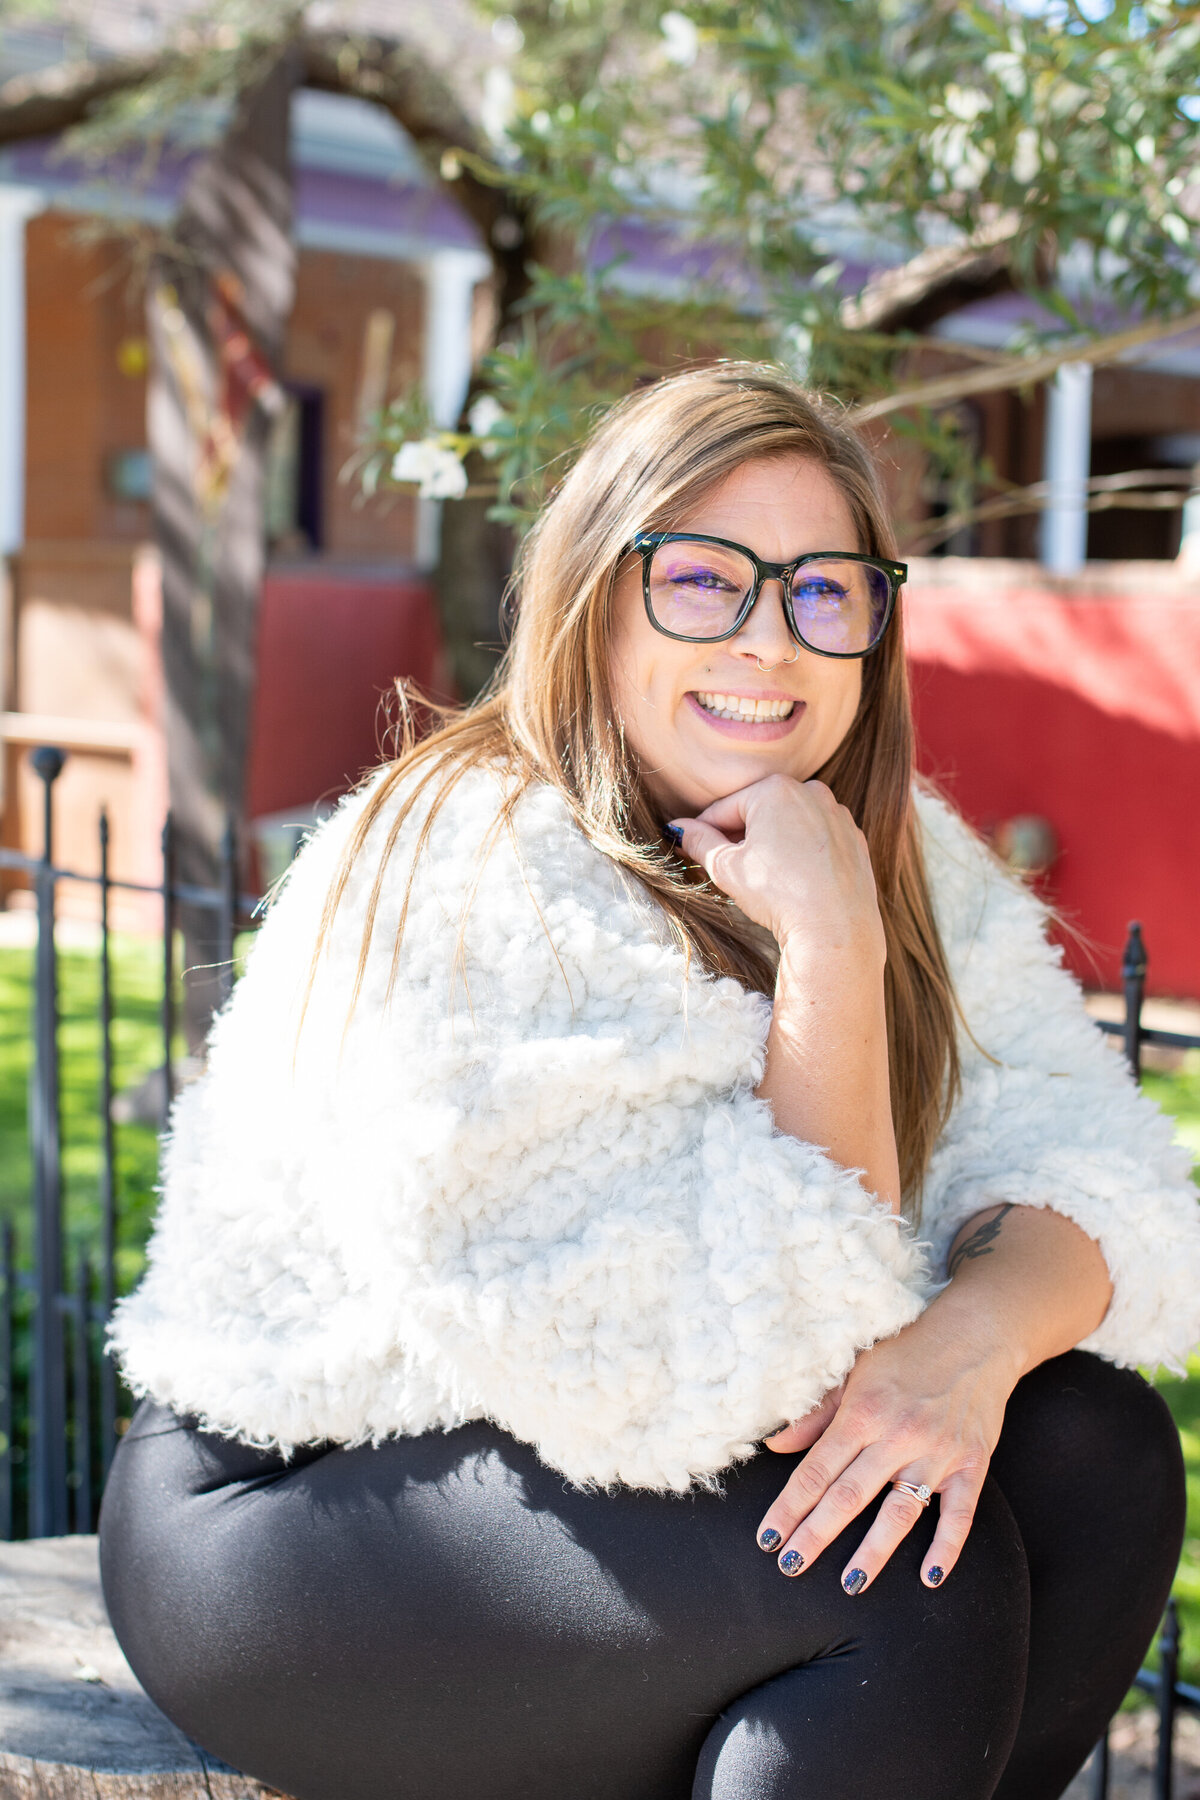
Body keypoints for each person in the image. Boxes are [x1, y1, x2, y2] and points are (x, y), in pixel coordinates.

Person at [99, 364, 1200, 1800]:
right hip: (298, 1513)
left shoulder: (907, 855)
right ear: (593, 602)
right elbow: (746, 1357)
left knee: (1091, 1461)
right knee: (885, 1574)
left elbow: (1090, 1169)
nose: (769, 640)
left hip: (611, 1487)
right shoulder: (479, 859)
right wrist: (829, 950)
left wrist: (971, 1348)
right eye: (702, 580)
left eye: (822, 590)